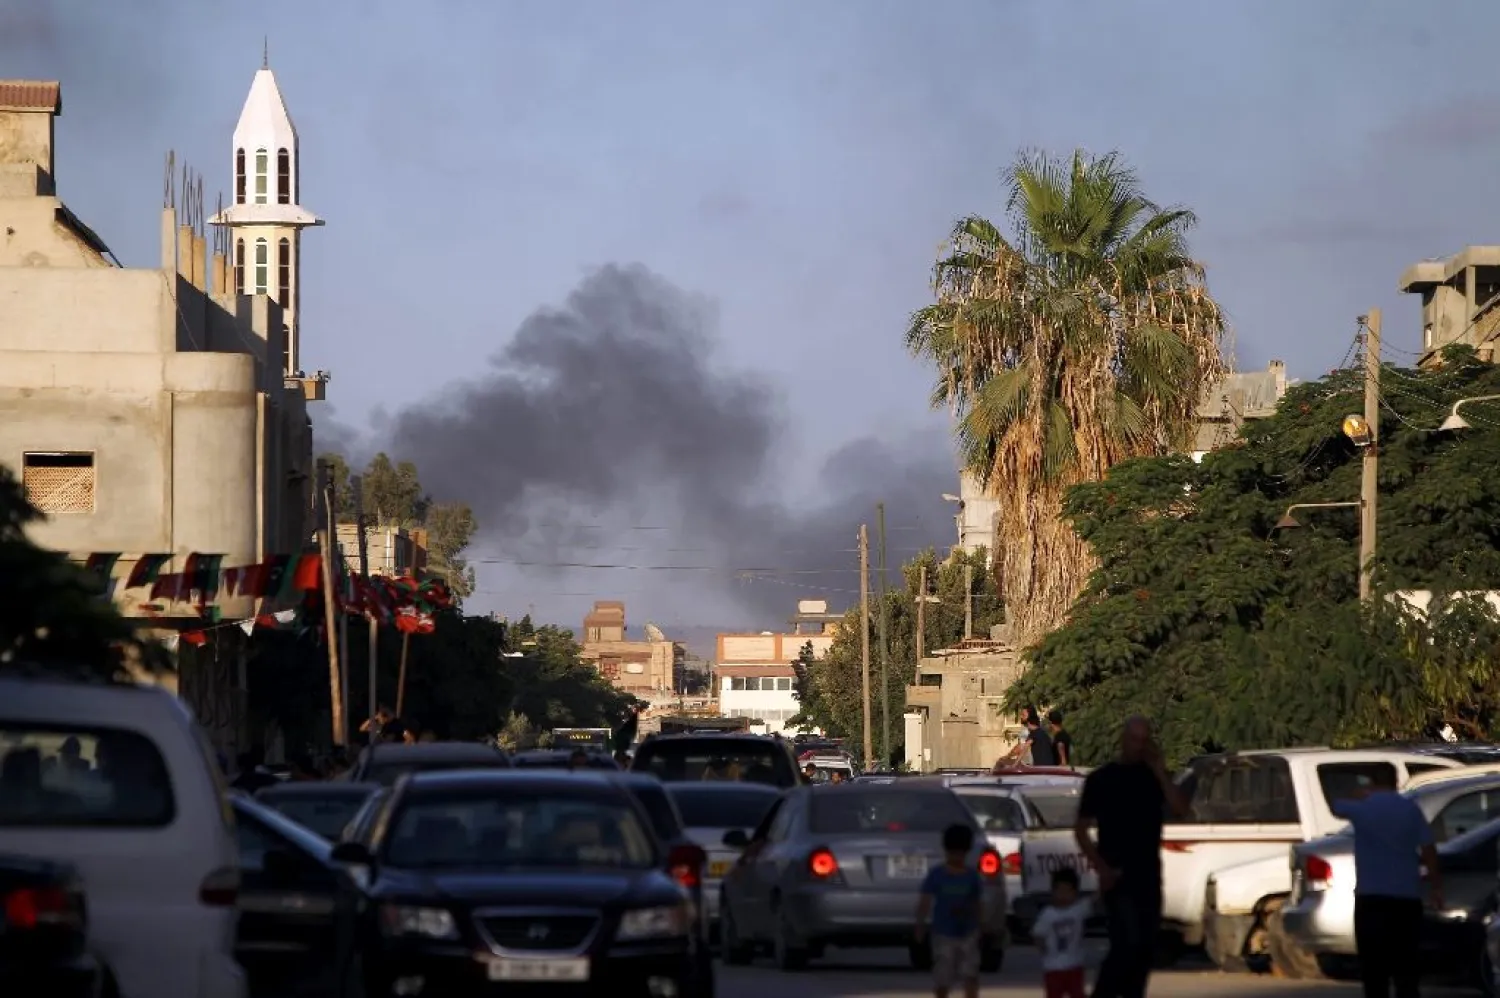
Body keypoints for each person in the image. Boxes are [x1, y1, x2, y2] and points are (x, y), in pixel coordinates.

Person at [1074, 715, 1188, 998]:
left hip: (1148, 876)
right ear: (1123, 740)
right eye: (1134, 739)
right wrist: (1101, 868)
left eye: (1143, 740)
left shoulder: (1152, 778)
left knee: (1144, 950)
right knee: (1126, 943)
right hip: (1116, 876)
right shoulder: (1102, 779)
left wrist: (1161, 772)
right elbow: (1081, 829)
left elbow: (1180, 808)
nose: (1139, 746)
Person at [1331, 767, 1440, 998]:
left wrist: (1359, 793)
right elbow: (1428, 848)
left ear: (1371, 782)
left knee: (1374, 971)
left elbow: (1336, 806)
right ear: (1396, 781)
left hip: (1371, 898)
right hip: (1406, 898)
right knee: (1406, 968)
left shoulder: (1362, 808)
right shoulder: (1410, 809)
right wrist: (1436, 887)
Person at [914, 823, 983, 998]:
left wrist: (981, 925)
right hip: (943, 933)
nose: (957, 857)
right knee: (943, 976)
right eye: (953, 853)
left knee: (970, 973)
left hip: (968, 932)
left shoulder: (971, 876)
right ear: (946, 851)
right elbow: (925, 900)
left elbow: (977, 902)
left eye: (960, 853)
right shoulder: (937, 875)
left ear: (967, 852)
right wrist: (920, 924)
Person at [1033, 868, 1090, 998]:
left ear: (1075, 893)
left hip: (1075, 964)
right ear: (1053, 892)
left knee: (1077, 993)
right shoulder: (1048, 914)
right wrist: (1042, 947)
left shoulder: (1078, 909)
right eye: (1060, 891)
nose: (1063, 895)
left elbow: (1094, 899)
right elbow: (1038, 933)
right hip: (1053, 967)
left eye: (1067, 891)